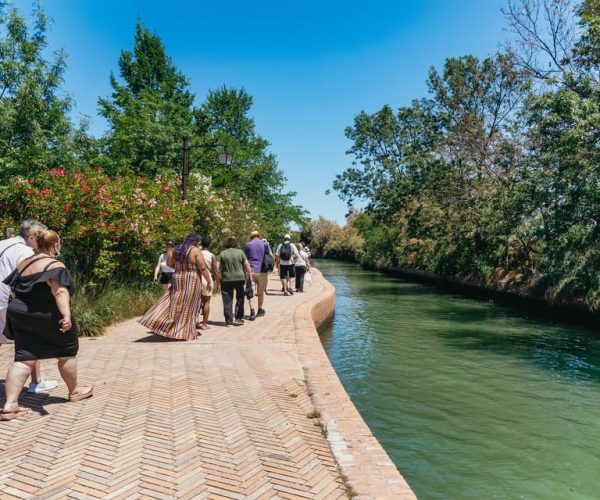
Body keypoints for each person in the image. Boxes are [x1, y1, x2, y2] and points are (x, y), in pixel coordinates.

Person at [1, 229, 93, 420]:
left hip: (20, 313)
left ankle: (10, 405)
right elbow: (59, 292)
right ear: (55, 245)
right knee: (66, 351)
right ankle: (74, 391)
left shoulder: (23, 264)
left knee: (24, 357)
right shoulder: (54, 265)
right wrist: (66, 315)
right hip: (46, 313)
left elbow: (14, 289)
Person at [0, 220, 57, 394]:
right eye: (40, 236)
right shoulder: (25, 252)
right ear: (31, 236)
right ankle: (36, 382)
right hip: (4, 299)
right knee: (30, 339)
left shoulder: (3, 243)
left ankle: (37, 380)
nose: (42, 240)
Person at [138, 234, 212, 340]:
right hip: (191, 278)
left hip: (177, 277)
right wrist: (208, 281)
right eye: (198, 242)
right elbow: (203, 267)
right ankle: (184, 331)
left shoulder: (176, 249)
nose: (199, 244)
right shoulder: (195, 250)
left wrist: (179, 267)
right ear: (195, 241)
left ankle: (170, 327)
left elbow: (169, 263)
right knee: (189, 304)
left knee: (175, 302)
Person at [218, 237, 252, 326]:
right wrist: (249, 274)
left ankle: (228, 320)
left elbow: (217, 267)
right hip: (240, 278)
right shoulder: (240, 252)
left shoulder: (222, 254)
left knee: (227, 300)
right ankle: (238, 318)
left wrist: (218, 279)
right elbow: (246, 264)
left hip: (226, 279)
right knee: (240, 298)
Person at [243, 230, 270, 319]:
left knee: (251, 292)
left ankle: (252, 311)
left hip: (251, 271)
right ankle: (260, 309)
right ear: (259, 236)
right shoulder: (264, 245)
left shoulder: (247, 245)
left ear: (251, 237)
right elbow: (268, 257)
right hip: (262, 271)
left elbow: (244, 259)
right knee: (260, 292)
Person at [198, 236, 218, 330]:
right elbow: (215, 270)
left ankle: (196, 321)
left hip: (197, 278)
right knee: (206, 302)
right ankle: (204, 324)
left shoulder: (197, 253)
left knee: (197, 302)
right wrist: (218, 281)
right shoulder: (212, 255)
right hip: (207, 279)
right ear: (209, 245)